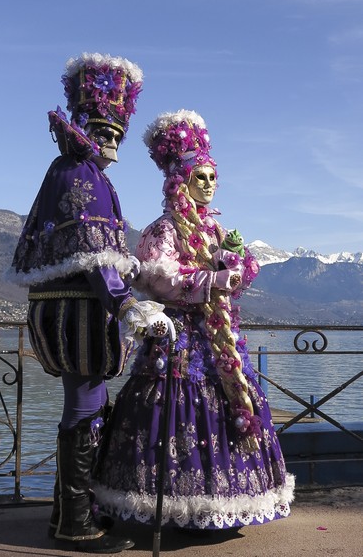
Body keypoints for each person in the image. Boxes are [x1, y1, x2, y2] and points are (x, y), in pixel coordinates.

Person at [91, 109, 295, 531]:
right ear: (179, 181)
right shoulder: (163, 229)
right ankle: (166, 503)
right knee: (174, 407)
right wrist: (213, 276)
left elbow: (232, 281)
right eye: (199, 177)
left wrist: (237, 269)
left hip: (220, 340)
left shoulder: (215, 231)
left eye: (212, 177)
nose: (208, 184)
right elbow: (159, 277)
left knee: (226, 403)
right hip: (180, 339)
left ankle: (223, 502)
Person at [7, 53, 174, 553]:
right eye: (107, 132)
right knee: (84, 405)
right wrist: (129, 306)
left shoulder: (68, 169)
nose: (113, 145)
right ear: (86, 126)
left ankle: (70, 512)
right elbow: (95, 253)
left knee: (88, 405)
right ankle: (75, 523)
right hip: (80, 315)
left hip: (67, 310)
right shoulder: (81, 174)